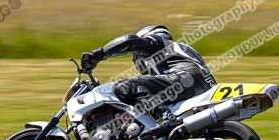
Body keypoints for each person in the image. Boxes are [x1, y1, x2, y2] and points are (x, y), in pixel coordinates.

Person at [80, 25, 216, 117]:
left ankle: (163, 118)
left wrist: (98, 55)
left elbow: (130, 41)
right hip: (201, 88)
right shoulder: (178, 51)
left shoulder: (159, 43)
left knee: (127, 86)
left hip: (185, 79)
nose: (135, 58)